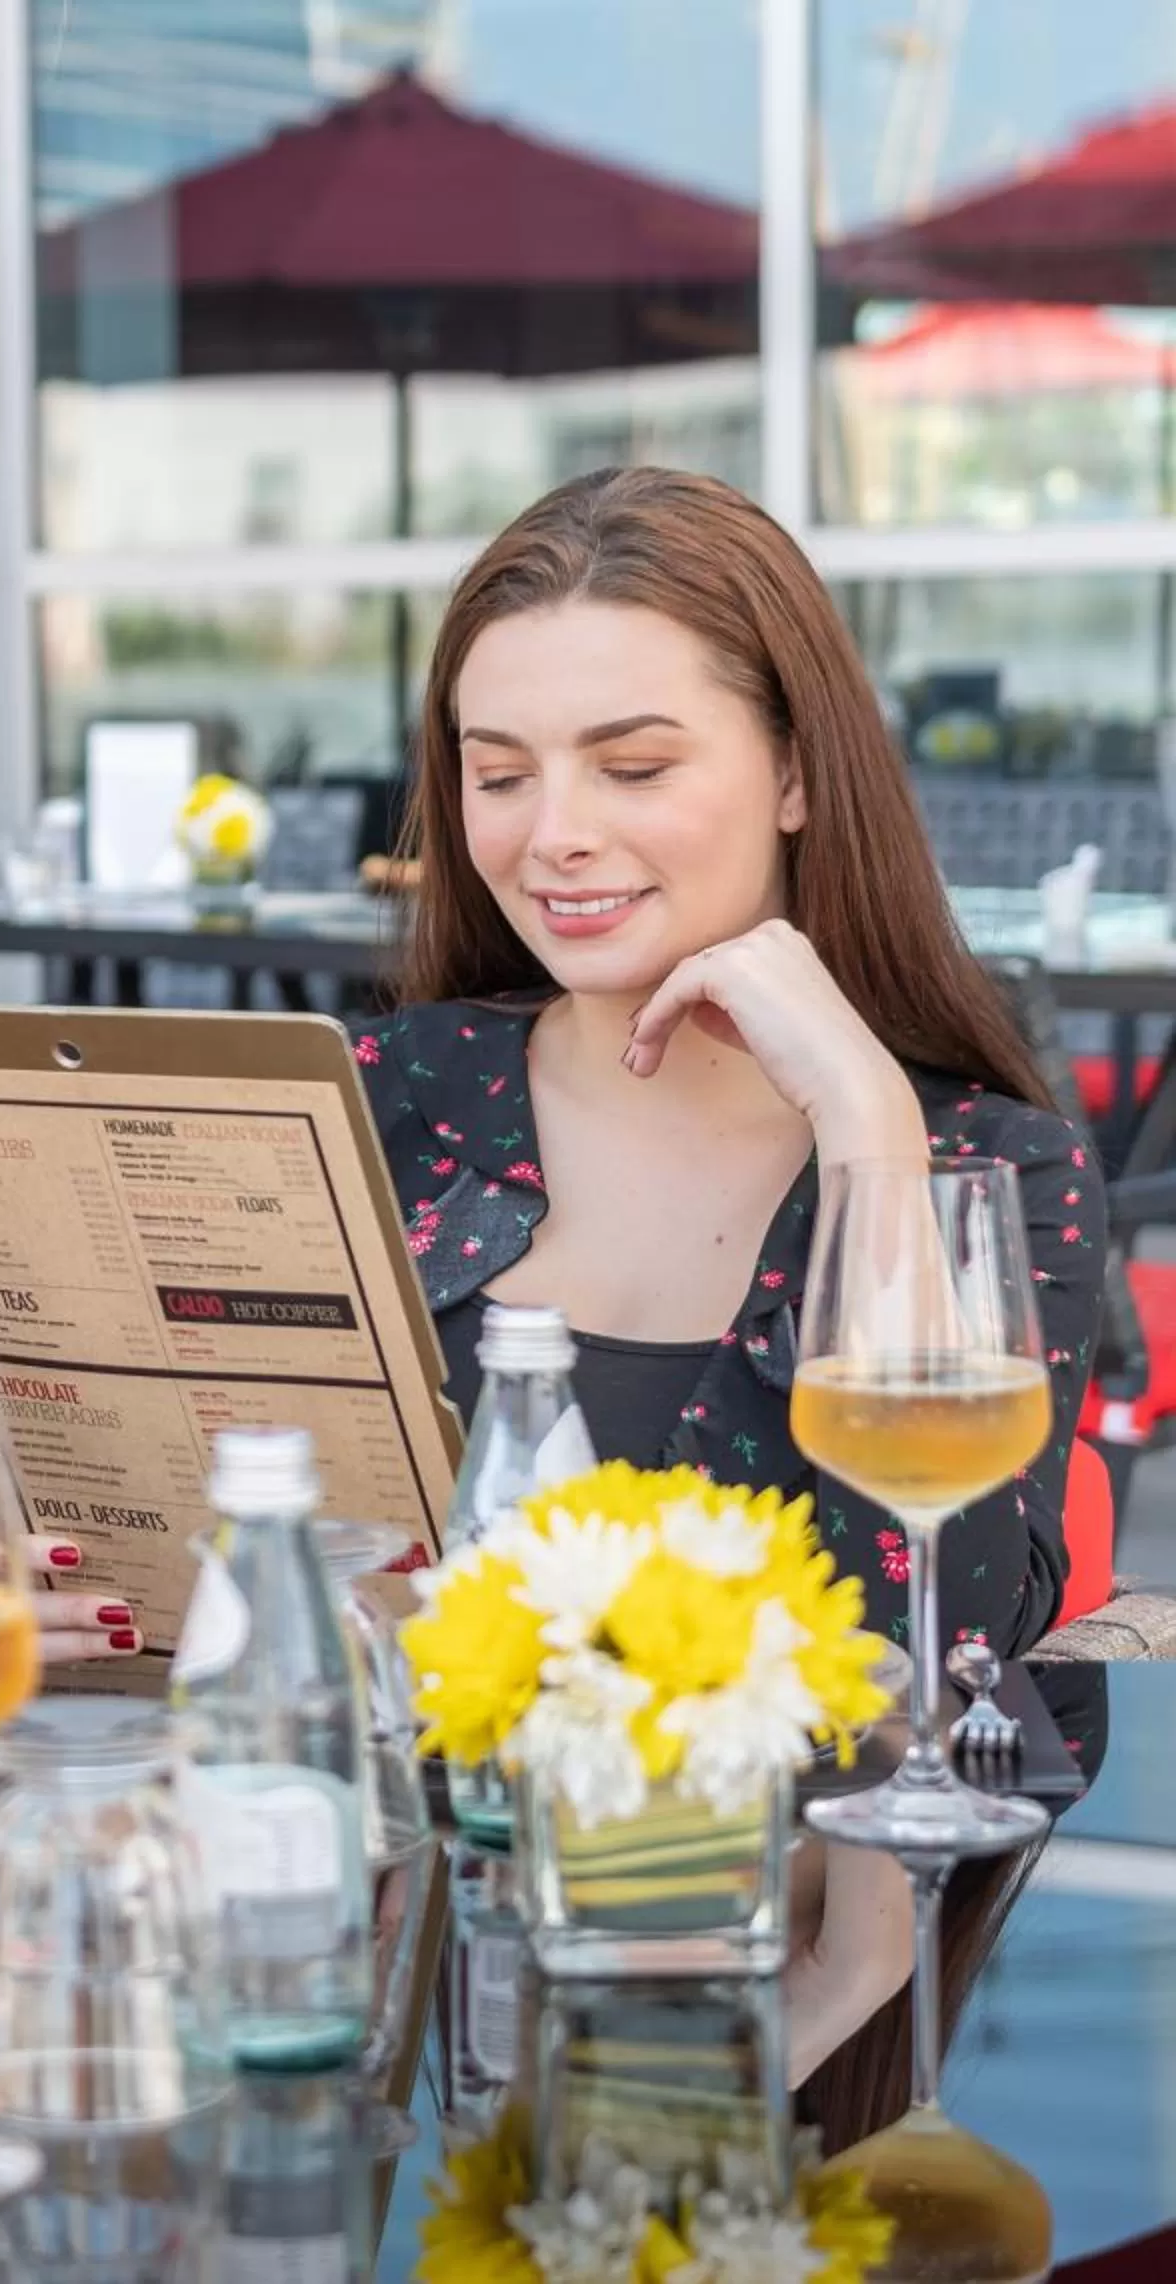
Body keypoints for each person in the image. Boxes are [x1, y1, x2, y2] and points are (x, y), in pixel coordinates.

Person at [361, 463, 1110, 2084]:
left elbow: (945, 1654)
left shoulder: (991, 1169)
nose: (554, 836)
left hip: (777, 1997)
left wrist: (867, 1129)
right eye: (499, 775)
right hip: (412, 1972)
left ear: (794, 772)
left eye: (634, 766)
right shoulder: (388, 1098)